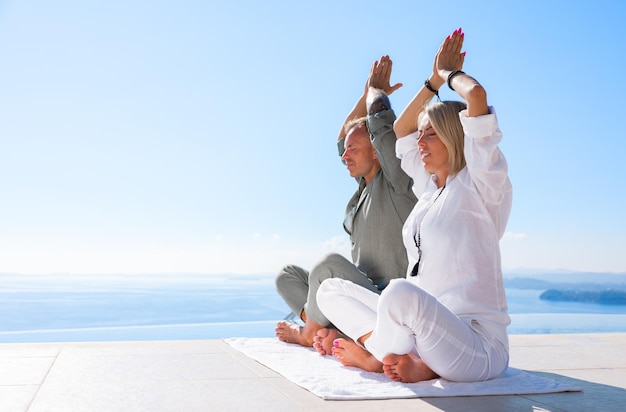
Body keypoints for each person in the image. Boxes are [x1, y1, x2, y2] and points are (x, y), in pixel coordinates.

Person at [316, 28, 513, 383]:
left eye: (431, 133)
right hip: (422, 332)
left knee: (399, 292)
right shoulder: (429, 190)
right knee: (331, 289)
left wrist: (451, 74)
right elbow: (403, 128)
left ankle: (379, 357)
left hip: (475, 345)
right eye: (421, 134)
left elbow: (477, 96)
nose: (419, 140)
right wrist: (432, 81)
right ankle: (401, 355)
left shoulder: (482, 184)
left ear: (456, 135)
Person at [274, 56, 418, 348]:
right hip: (352, 293)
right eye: (346, 151)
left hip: (385, 300)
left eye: (353, 149)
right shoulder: (363, 188)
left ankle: (310, 333)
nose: (344, 155)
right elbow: (342, 137)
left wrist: (375, 99)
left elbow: (381, 128)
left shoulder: (399, 183)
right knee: (287, 276)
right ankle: (332, 328)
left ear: (377, 151)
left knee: (327, 265)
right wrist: (365, 96)